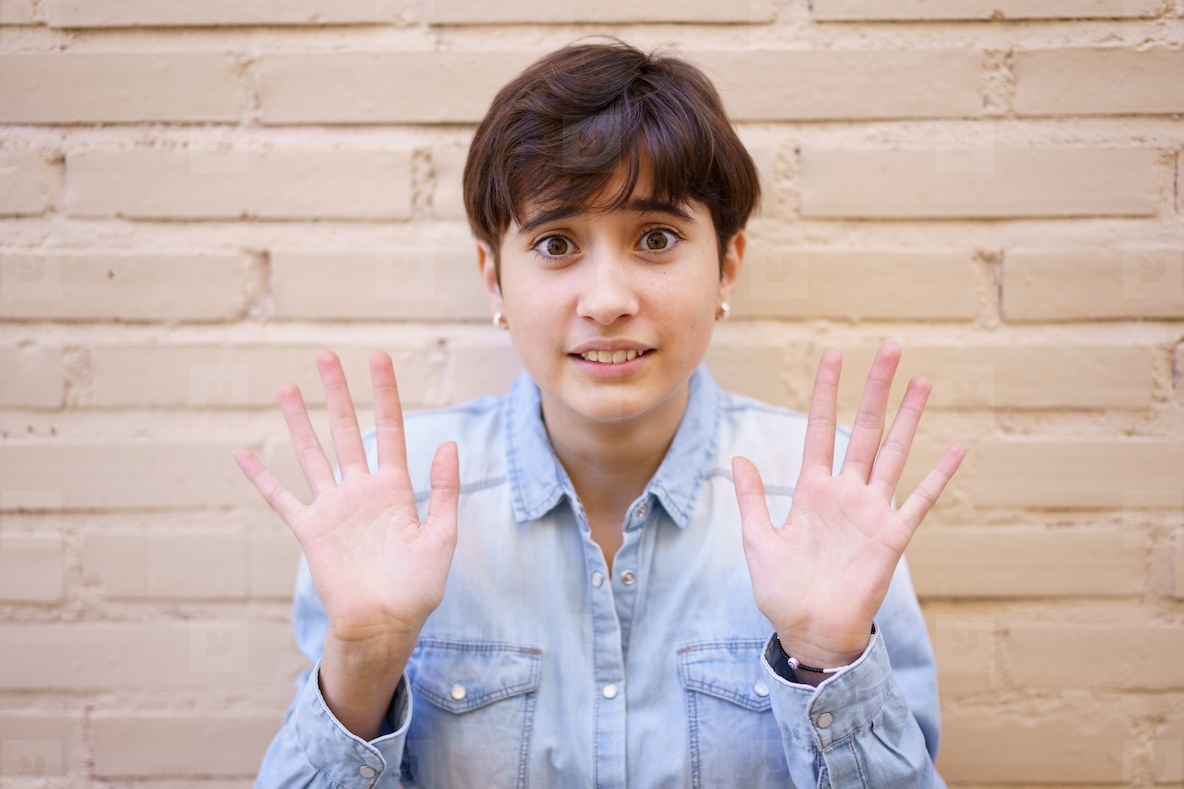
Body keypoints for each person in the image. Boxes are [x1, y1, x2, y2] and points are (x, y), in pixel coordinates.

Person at [236, 40, 966, 788]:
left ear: (729, 265)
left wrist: (826, 657)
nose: (608, 299)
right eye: (556, 243)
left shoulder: (828, 503)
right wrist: (362, 662)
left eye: (656, 238)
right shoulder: (390, 507)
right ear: (494, 279)